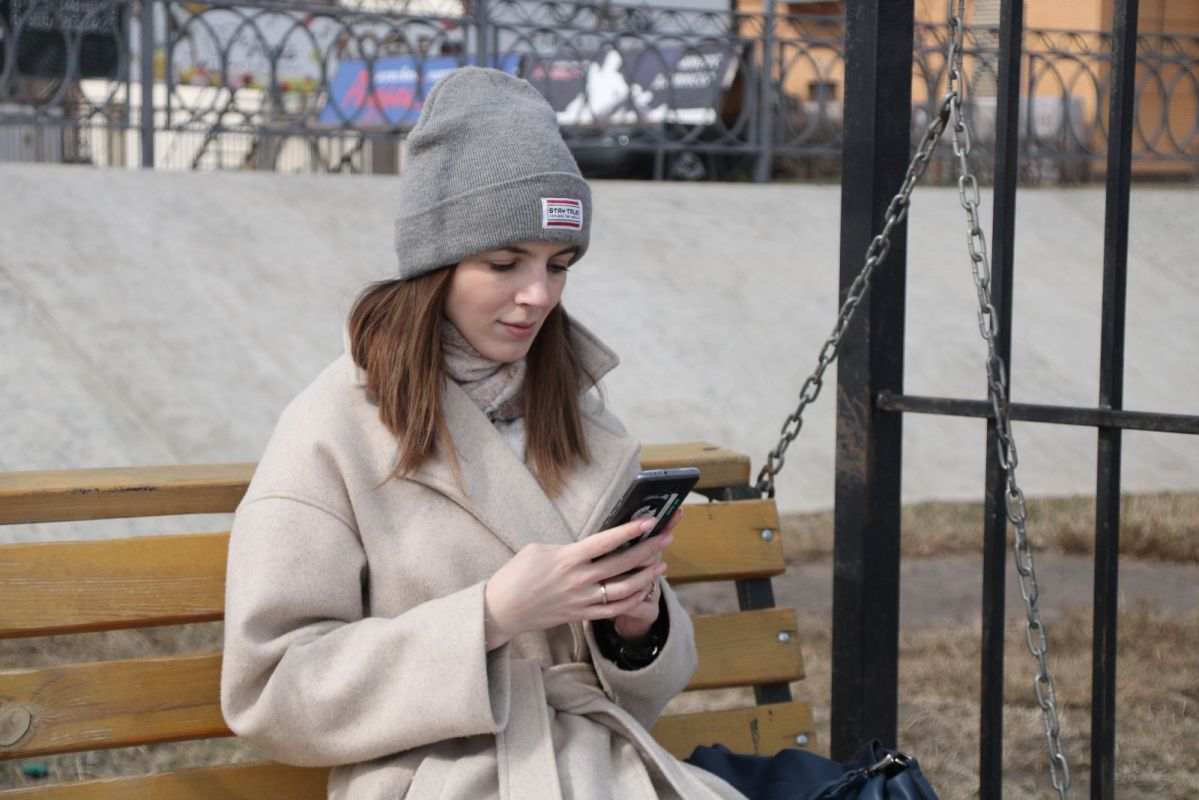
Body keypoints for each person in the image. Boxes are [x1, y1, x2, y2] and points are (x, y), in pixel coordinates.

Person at [219, 67, 745, 799]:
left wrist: (635, 624)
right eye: (504, 263)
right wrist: (491, 616)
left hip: (601, 768)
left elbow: (641, 694)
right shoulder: (332, 427)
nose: (538, 296)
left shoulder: (579, 413)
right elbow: (273, 690)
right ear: (434, 267)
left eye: (558, 265)